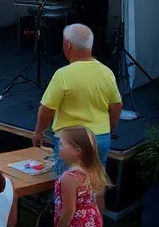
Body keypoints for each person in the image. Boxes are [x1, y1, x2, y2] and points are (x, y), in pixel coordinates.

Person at [32, 24, 121, 178]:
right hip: (100, 137)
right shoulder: (106, 73)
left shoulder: (63, 75)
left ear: (68, 45)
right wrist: (107, 129)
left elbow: (46, 110)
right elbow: (116, 106)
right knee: (97, 187)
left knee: (69, 188)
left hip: (70, 142)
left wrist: (39, 132)